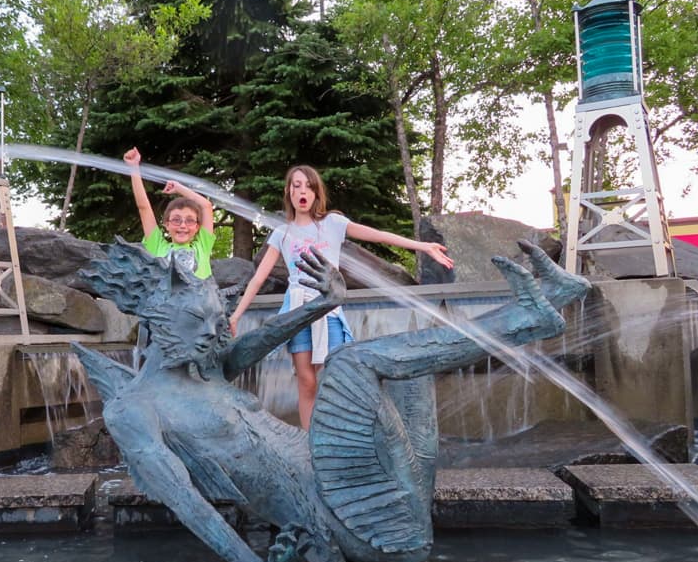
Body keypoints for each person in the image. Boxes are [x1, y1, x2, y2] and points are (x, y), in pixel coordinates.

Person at [229, 164, 454, 430]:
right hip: (298, 311)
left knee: (329, 377)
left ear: (316, 193)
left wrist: (423, 246)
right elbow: (257, 278)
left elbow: (378, 236)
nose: (303, 191)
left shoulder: (332, 224)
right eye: (296, 185)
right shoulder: (282, 234)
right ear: (289, 192)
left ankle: (332, 438)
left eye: (308, 186)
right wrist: (235, 316)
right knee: (306, 381)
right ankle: (310, 442)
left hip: (328, 309)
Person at [124, 147, 216, 279]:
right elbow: (144, 208)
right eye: (176, 220)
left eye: (189, 220)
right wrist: (134, 168)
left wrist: (180, 188)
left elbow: (206, 206)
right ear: (167, 224)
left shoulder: (202, 246)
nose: (183, 225)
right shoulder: (157, 246)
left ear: (197, 227)